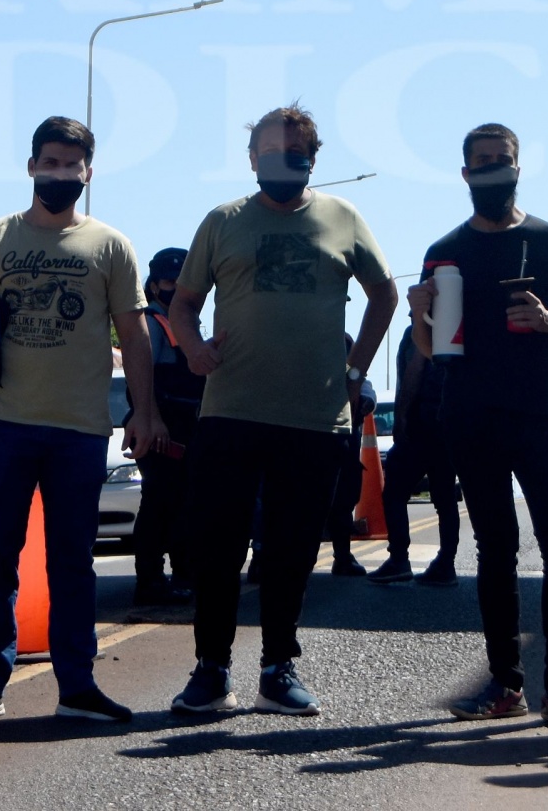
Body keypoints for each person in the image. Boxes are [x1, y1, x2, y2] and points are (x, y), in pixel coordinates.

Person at [164, 103, 401, 719]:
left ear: (313, 160)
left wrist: (356, 371)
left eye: (296, 154)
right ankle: (212, 670)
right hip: (231, 411)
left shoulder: (342, 217)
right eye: (270, 153)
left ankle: (277, 669)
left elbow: (385, 294)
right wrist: (192, 348)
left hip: (314, 415)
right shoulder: (223, 221)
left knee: (293, 549)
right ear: (251, 160)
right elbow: (183, 304)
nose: (283, 163)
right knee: (218, 547)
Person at [0, 115, 164, 726]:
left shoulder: (110, 246)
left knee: (72, 563)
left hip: (80, 430)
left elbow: (134, 335)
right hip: (2, 425)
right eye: (50, 162)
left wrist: (144, 412)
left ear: (88, 173)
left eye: (72, 165)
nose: (59, 173)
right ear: (31, 165)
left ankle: (77, 689)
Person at [411, 122, 548, 731]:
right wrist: (418, 315)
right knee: (496, 550)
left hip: (540, 415)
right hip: (470, 415)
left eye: (503, 160)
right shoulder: (445, 250)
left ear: (518, 168)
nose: (494, 170)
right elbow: (432, 350)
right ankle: (505, 684)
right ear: (465, 173)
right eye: (483, 162)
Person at [132, 247, 203, 607]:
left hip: (186, 427)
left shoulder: (186, 323)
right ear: (154, 285)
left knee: (183, 504)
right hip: (162, 428)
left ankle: (183, 576)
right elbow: (141, 378)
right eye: (169, 281)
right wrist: (153, 420)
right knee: (160, 504)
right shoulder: (153, 321)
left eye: (181, 280)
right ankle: (150, 580)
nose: (175, 287)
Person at [368, 327, 461, 586]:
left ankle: (399, 559)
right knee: (445, 498)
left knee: (395, 493)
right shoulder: (454, 330)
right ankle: (446, 563)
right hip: (447, 423)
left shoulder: (419, 331)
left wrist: (402, 416)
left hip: (421, 424)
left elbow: (414, 371)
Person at [324, 342, 379, 576]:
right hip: (323, 432)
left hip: (341, 434)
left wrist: (364, 399)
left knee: (343, 498)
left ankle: (343, 556)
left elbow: (364, 387)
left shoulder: (343, 342)